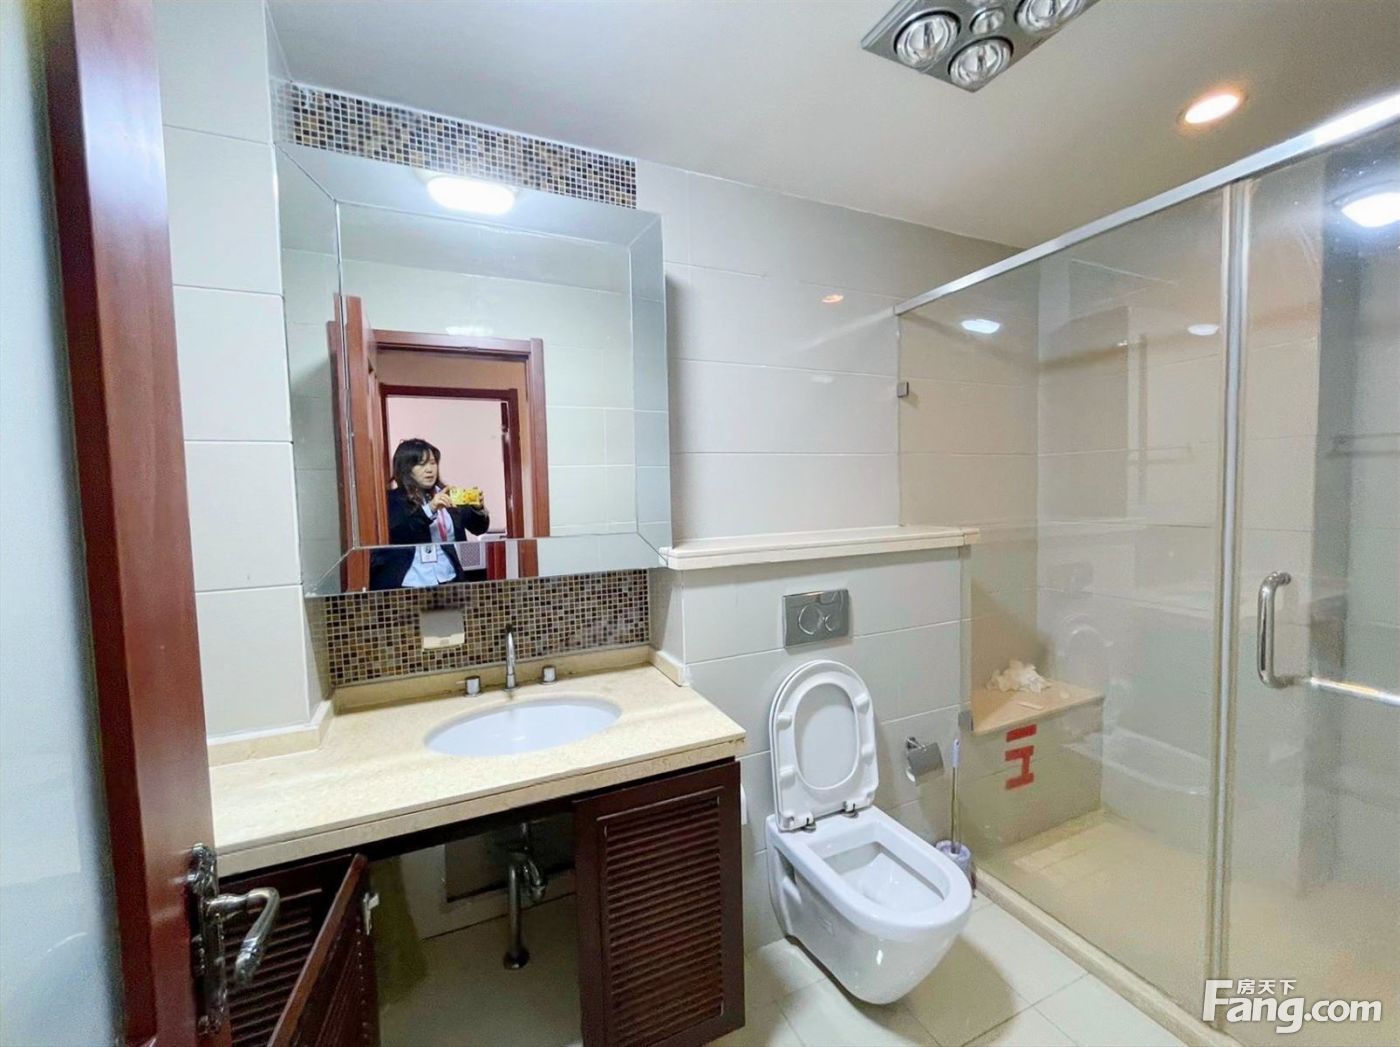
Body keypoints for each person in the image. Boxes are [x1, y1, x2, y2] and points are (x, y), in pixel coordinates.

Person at [369, 438, 490, 589]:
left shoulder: (447, 494)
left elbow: (478, 528)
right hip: (407, 582)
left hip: (448, 577)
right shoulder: (392, 499)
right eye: (421, 464)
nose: (429, 469)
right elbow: (400, 531)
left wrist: (478, 509)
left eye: (433, 463)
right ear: (406, 468)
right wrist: (430, 509)